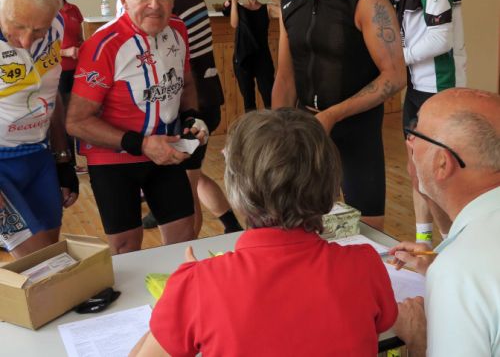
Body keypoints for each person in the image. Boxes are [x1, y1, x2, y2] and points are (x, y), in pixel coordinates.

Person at [130, 108, 398, 357]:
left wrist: (178, 299)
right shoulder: (365, 264)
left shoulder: (198, 285)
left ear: (235, 187)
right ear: (329, 183)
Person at [272, 0, 406, 230]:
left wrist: (333, 115)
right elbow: (285, 78)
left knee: (368, 230)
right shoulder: (289, 3)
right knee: (305, 228)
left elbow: (395, 75)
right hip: (307, 129)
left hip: (356, 129)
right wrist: (275, 131)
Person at [66, 0, 206, 254]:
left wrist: (192, 117)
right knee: (125, 248)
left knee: (185, 235)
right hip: (114, 159)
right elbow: (76, 122)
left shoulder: (178, 29)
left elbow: (187, 84)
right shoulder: (102, 46)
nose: (155, 4)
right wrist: (140, 144)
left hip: (165, 149)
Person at [389, 88, 500, 357]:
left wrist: (418, 339)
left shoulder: (458, 272)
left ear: (442, 163)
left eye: (416, 132)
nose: (409, 142)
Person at [383, 0, 467, 246]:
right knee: (415, 168)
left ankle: (451, 244)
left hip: (439, 87)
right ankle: (424, 242)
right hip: (418, 86)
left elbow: (440, 38)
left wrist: (395, 60)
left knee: (437, 175)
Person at [0, 0, 79, 258]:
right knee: (39, 264)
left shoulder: (56, 26)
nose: (25, 40)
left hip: (39, 156)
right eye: (17, 25)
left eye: (38, 30)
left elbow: (50, 91)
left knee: (51, 256)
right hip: (2, 164)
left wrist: (63, 158)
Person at [157, 0, 240, 236]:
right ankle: (232, 225)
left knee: (186, 184)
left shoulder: (181, 1)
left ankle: (189, 249)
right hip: (205, 101)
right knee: (194, 175)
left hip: (197, 108)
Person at [223, 0, 280, 111]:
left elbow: (287, 9)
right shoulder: (238, 7)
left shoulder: (267, 8)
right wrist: (235, 0)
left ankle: (271, 125)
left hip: (262, 57)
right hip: (243, 58)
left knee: (269, 99)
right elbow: (234, 24)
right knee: (249, 102)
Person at [47, 0, 85, 171]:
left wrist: (82, 48)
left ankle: (79, 161)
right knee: (59, 119)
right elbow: (42, 48)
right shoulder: (44, 10)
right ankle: (65, 161)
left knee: (75, 116)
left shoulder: (73, 9)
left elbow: (80, 38)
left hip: (75, 71)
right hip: (55, 72)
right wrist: (65, 52)